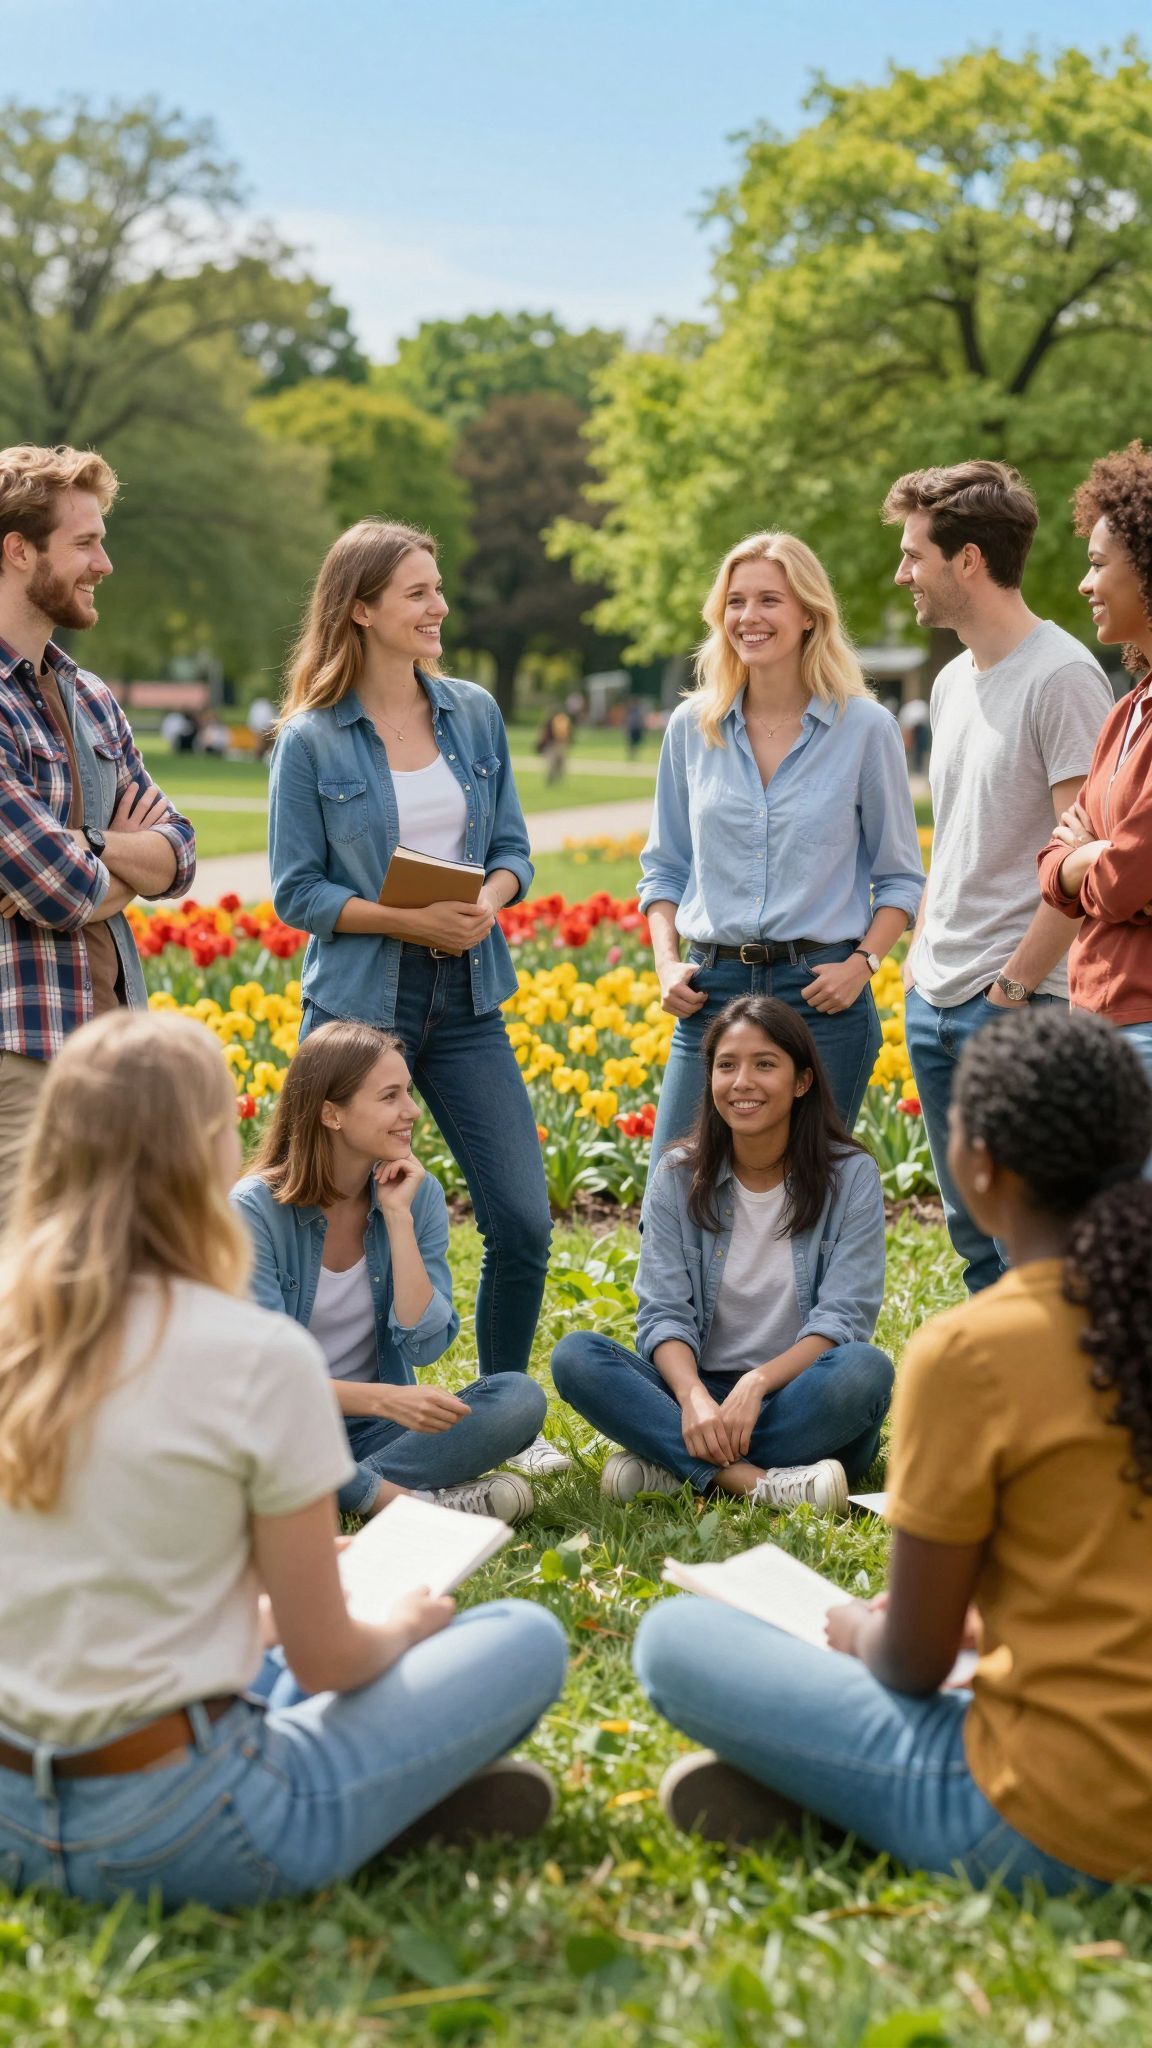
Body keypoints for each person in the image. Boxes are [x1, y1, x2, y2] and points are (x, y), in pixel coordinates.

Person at [0, 1010, 567, 1908]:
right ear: (203, 1150)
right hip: (187, 1822)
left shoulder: (15, 1334)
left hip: (12, 1821)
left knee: (268, 1656)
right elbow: (334, 1659)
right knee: (523, 1638)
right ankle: (386, 1798)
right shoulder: (252, 1355)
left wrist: (259, 1589)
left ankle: (382, 1787)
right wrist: (409, 1625)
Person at [634, 1008, 1152, 1895]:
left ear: (978, 1166)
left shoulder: (972, 1353)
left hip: (1054, 1824)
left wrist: (862, 1628)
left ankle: (843, 1793)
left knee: (673, 1638)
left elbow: (913, 1662)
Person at [269, 519, 563, 1479]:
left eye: (438, 589)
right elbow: (296, 892)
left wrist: (484, 900)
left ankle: (497, 1417)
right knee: (326, 1215)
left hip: (468, 999)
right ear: (362, 609)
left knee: (521, 1218)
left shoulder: (472, 713)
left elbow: (512, 847)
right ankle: (330, 1418)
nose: (439, 608)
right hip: (360, 1016)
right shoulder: (311, 741)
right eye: (418, 594)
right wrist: (409, 923)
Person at [883, 460, 1113, 1294]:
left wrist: (1014, 988)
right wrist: (921, 965)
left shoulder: (1063, 677)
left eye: (915, 555)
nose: (902, 573)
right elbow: (963, 839)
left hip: (1015, 1005)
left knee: (1034, 1245)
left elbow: (1084, 860)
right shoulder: (949, 681)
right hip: (936, 998)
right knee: (974, 1239)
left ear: (968, 560)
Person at [640, 532, 923, 1167]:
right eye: (736, 601)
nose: (750, 617)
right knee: (676, 1192)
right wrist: (665, 964)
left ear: (808, 616)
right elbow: (663, 868)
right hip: (712, 991)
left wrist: (862, 966)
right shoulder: (693, 728)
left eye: (770, 599)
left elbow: (901, 879)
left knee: (805, 1199)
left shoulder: (866, 729)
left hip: (821, 994)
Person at [552, 997, 893, 1514]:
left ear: (802, 1081)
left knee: (864, 1371)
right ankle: (756, 1482)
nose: (742, 1083)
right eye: (727, 1065)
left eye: (765, 1064)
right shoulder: (677, 1174)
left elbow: (842, 1318)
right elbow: (663, 1314)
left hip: (799, 1394)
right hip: (697, 1388)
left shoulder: (850, 1175)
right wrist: (692, 1400)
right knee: (576, 1356)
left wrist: (755, 1385)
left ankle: (672, 1466)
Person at [232, 1019, 548, 1524]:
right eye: (390, 1097)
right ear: (331, 1114)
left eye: (408, 1092)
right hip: (284, 1420)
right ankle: (408, 1503)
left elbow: (426, 1345)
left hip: (374, 1433)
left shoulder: (416, 1195)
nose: (412, 1112)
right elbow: (266, 1380)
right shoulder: (254, 1210)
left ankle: (340, 1486)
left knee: (518, 1398)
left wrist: (398, 1219)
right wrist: (385, 1400)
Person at [0, 444, 196, 1227]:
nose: (104, 563)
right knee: (27, 1298)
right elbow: (61, 890)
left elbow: (179, 850)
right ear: (18, 551)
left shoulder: (91, 697)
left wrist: (81, 843)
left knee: (109, 1293)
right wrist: (107, 860)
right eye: (84, 543)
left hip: (114, 1043)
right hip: (22, 1054)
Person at [1038, 443, 1152, 1081]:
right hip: (1096, 1019)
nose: (1084, 583)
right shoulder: (1127, 710)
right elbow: (1053, 864)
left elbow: (1125, 878)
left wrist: (1095, 860)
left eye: (1098, 564)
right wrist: (1091, 857)